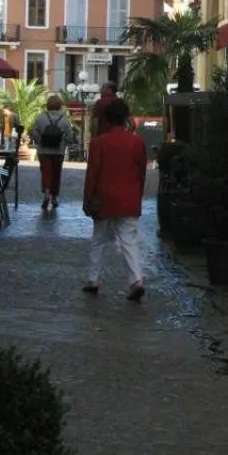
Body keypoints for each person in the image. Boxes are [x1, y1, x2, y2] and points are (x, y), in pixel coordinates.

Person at [81, 96, 148, 301]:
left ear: (107, 120)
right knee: (129, 241)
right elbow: (141, 173)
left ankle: (94, 279)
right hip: (129, 198)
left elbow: (92, 174)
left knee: (99, 240)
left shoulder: (98, 143)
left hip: (104, 198)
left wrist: (88, 199)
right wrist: (138, 196)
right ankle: (136, 279)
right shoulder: (138, 142)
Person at [28, 93, 72, 212]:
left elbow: (33, 131)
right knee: (56, 174)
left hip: (43, 151)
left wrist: (39, 141)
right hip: (59, 151)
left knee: (46, 172)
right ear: (59, 105)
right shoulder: (64, 119)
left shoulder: (41, 117)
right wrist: (64, 143)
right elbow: (70, 135)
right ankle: (54, 197)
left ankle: (46, 192)